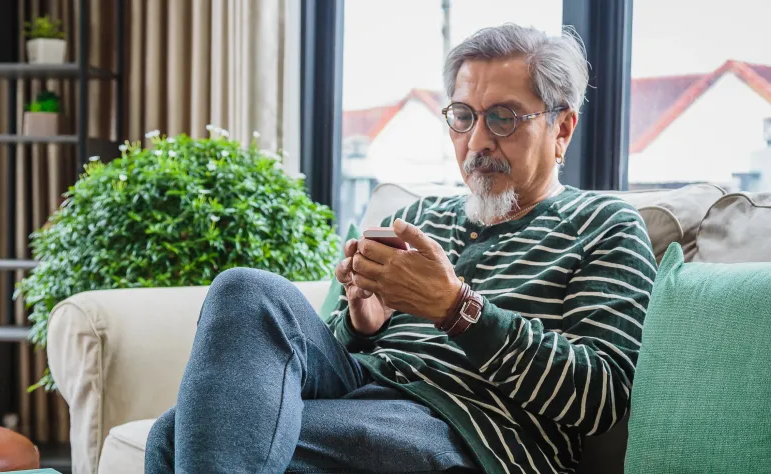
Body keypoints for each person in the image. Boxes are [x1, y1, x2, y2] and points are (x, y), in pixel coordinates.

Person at [145, 23, 656, 474]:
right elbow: (310, 360)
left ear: (561, 128)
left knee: (175, 436)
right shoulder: (419, 217)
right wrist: (361, 324)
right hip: (362, 392)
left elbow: (603, 397)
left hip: (474, 433)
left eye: (503, 117)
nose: (478, 140)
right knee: (244, 288)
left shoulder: (604, 225)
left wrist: (457, 309)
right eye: (463, 116)